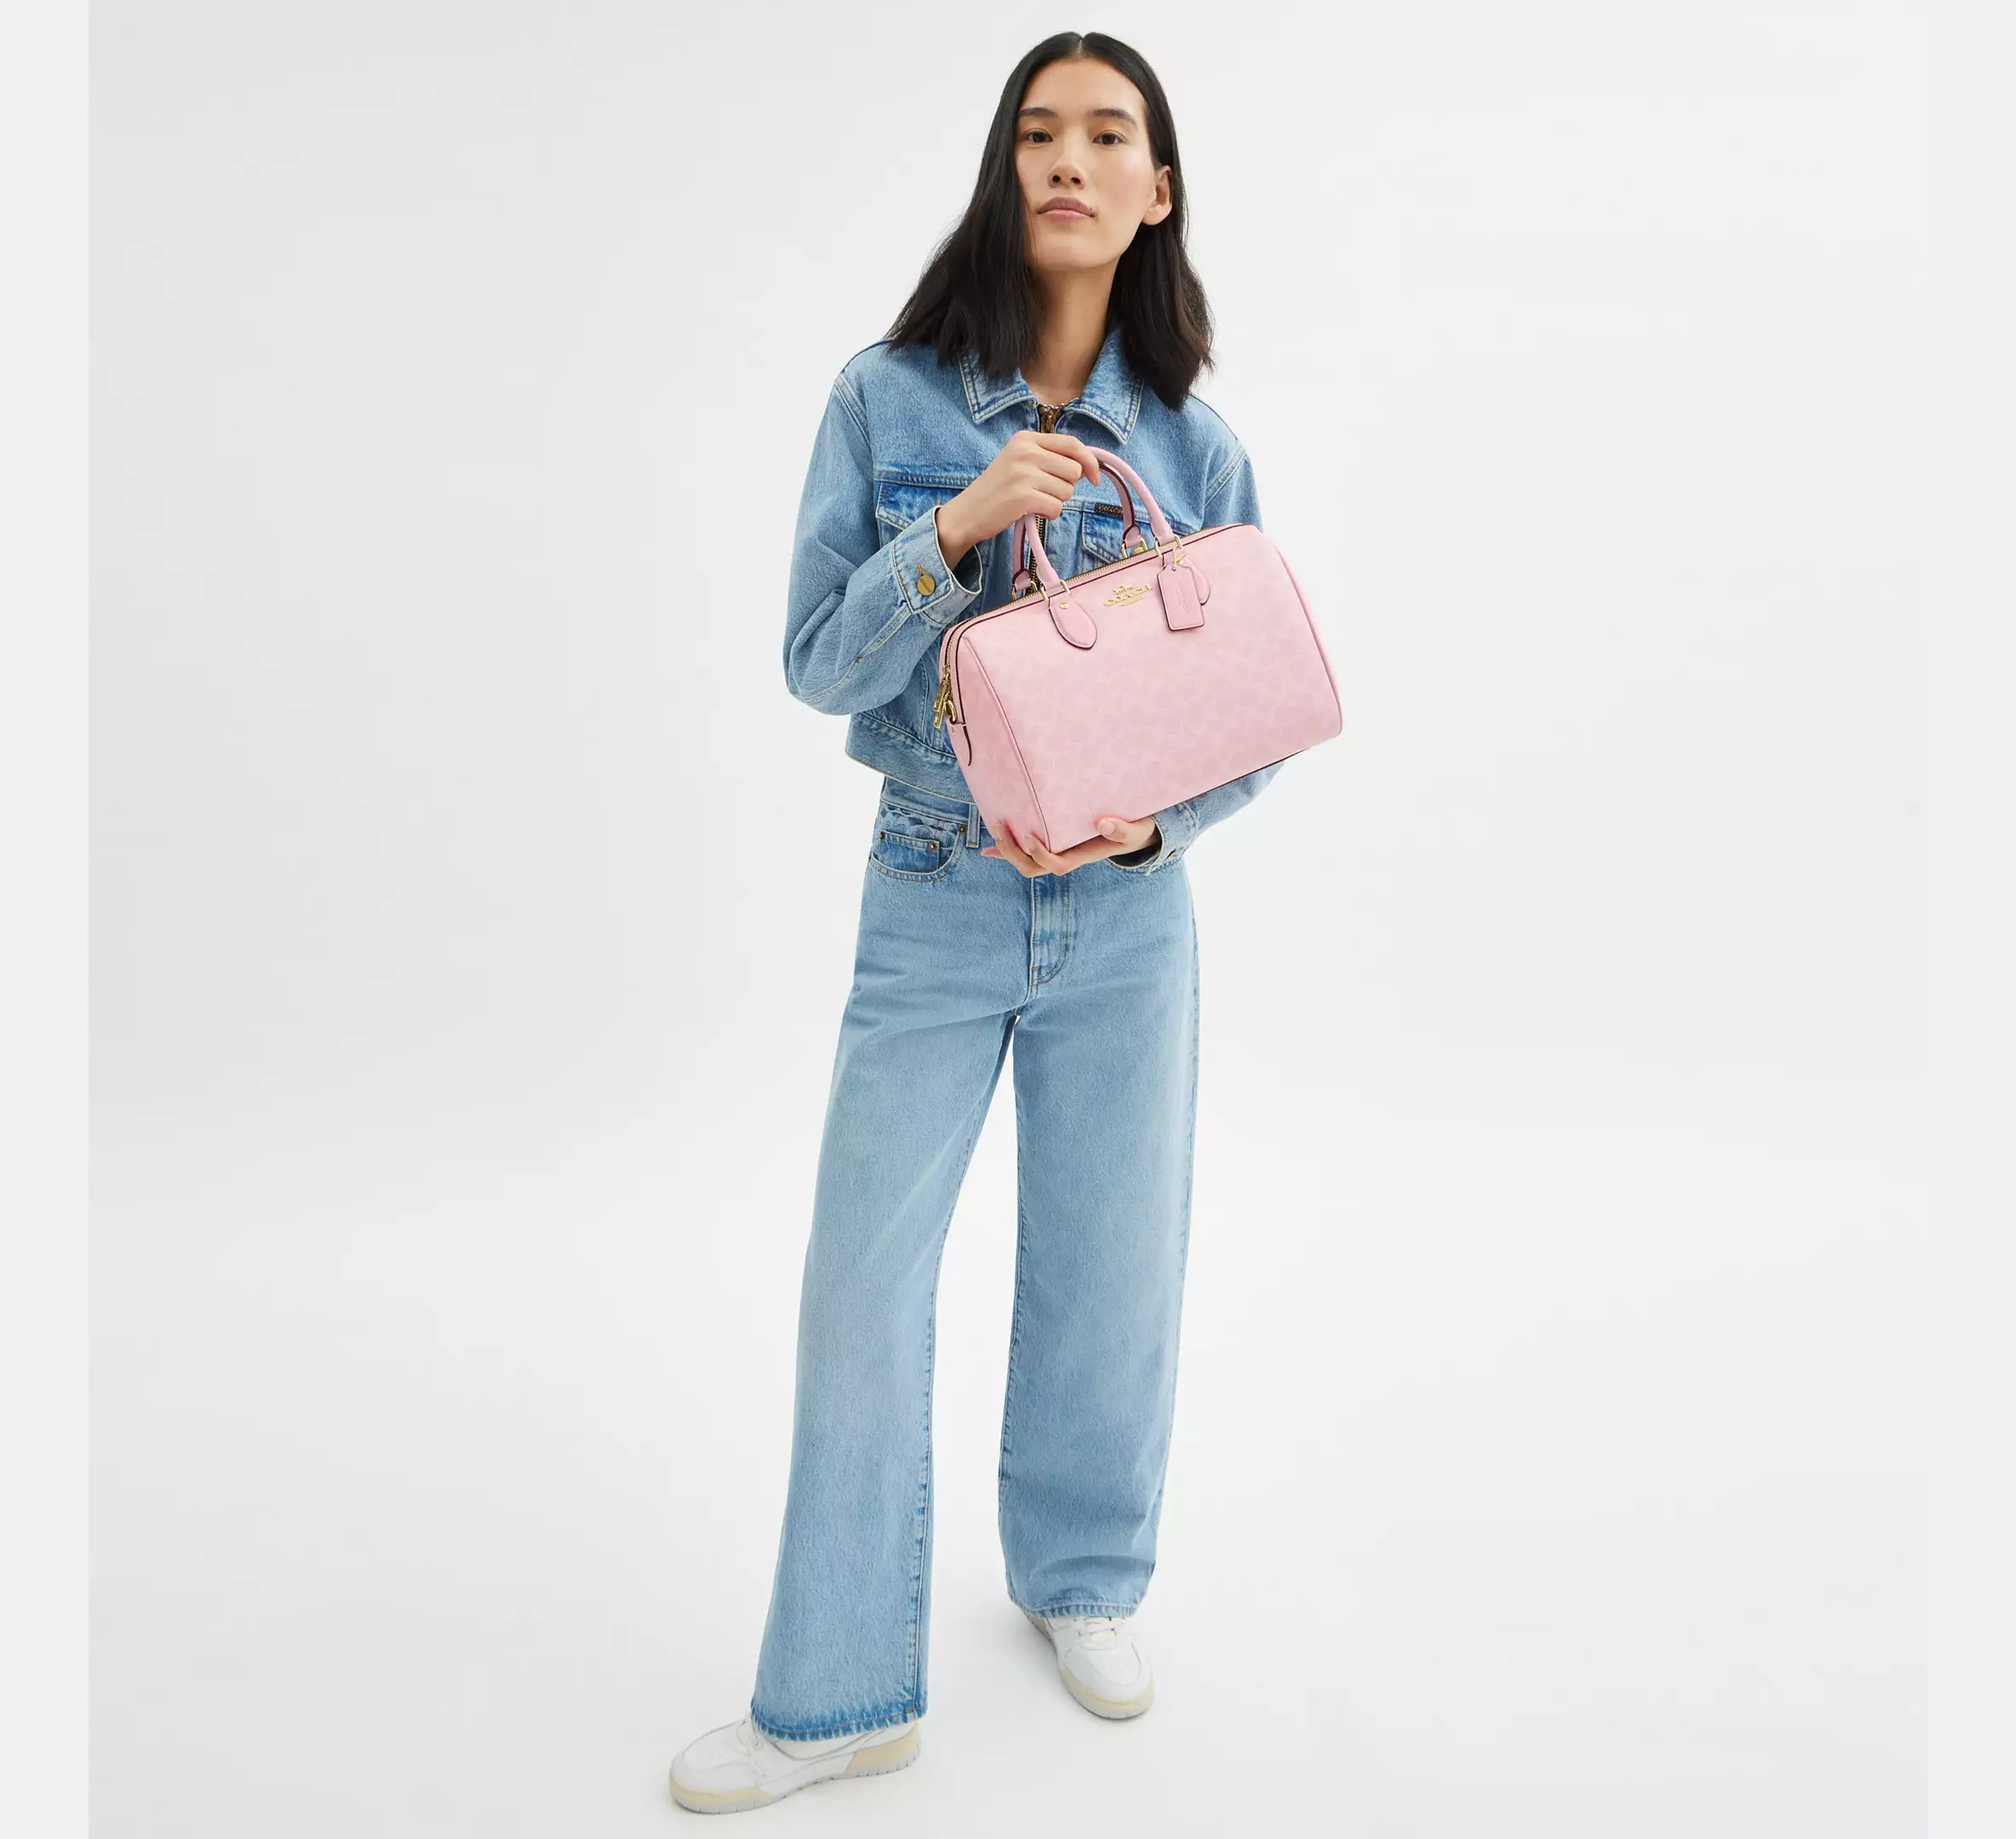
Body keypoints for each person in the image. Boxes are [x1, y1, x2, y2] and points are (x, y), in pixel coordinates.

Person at [669, 30, 1285, 1816]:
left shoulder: (1198, 446)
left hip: (1129, 914)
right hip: (935, 888)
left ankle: (1081, 1577)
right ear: (1004, 172)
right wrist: (951, 528)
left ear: (1155, 189)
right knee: (860, 1285)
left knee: (1112, 1267)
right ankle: (839, 1693)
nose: (1067, 160)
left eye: (1106, 134)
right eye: (1037, 132)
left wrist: (1160, 823)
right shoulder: (890, 403)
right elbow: (815, 663)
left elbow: (1252, 715)